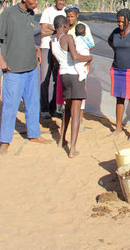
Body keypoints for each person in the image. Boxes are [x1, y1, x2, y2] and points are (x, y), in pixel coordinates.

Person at [0, 0, 51, 154]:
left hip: (30, 67)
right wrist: (0, 59)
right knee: (10, 105)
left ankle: (34, 134)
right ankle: (5, 141)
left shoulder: (30, 15)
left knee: (32, 103)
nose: (36, 3)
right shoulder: (9, 13)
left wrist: (36, 48)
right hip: (13, 68)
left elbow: (27, 35)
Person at [51, 15, 94, 158]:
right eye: (68, 25)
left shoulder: (53, 41)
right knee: (76, 112)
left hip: (63, 75)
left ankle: (61, 140)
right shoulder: (67, 38)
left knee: (67, 110)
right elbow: (75, 57)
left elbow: (57, 62)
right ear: (63, 26)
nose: (70, 28)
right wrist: (89, 58)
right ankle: (72, 148)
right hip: (75, 76)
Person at [108, 8, 130, 142]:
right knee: (119, 98)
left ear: (129, 20)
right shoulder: (116, 32)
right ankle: (118, 128)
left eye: (122, 22)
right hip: (116, 69)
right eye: (118, 21)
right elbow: (111, 41)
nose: (119, 24)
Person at [55, 4, 94, 116]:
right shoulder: (64, 27)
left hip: (78, 63)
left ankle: (79, 116)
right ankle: (62, 111)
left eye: (72, 16)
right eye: (68, 16)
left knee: (80, 90)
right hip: (65, 63)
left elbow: (90, 44)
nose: (70, 19)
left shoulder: (83, 26)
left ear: (77, 15)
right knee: (64, 89)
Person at [39, 0, 68, 118]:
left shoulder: (66, 12)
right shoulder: (48, 12)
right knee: (44, 78)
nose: (61, 2)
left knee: (59, 79)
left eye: (63, 0)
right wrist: (57, 29)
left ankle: (54, 107)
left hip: (60, 49)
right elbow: (43, 31)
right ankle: (44, 108)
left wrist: (51, 27)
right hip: (47, 47)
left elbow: (66, 31)